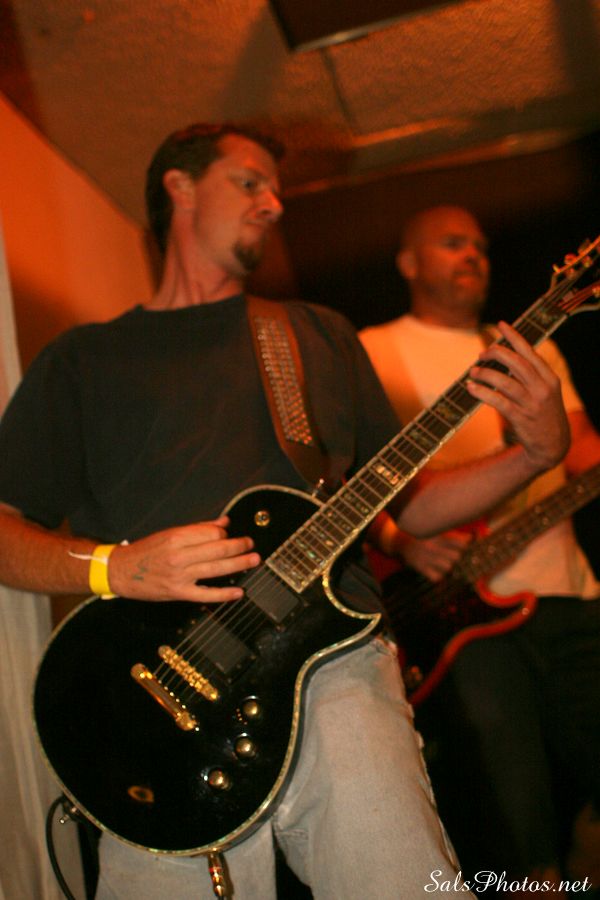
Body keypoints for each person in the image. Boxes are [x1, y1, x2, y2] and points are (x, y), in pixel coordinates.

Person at [0, 132, 570, 900]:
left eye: (276, 189)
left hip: (334, 663)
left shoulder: (313, 334)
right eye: (249, 183)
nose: (273, 204)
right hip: (151, 707)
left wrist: (534, 455)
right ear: (180, 187)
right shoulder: (84, 361)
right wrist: (117, 566)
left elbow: (413, 504)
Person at [360, 205, 600, 893]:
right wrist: (400, 541)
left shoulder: (526, 342)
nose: (473, 254)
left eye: (481, 245)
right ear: (409, 262)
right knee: (514, 803)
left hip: (566, 586)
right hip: (457, 611)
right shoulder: (374, 348)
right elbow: (352, 479)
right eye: (452, 242)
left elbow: (579, 449)